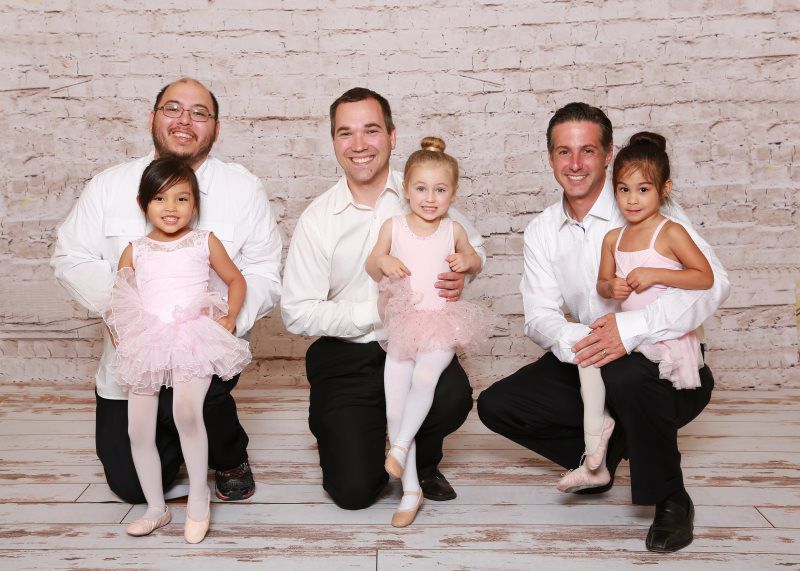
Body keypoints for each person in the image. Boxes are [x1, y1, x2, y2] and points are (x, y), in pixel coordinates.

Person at [477, 102, 730, 553]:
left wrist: (628, 331)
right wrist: (589, 340)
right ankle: (600, 460)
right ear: (551, 158)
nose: (575, 164)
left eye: (588, 150)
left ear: (609, 153)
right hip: (589, 355)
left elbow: (713, 285)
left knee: (625, 371)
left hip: (664, 368)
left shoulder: (647, 205)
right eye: (563, 152)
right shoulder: (541, 230)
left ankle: (671, 495)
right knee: (498, 405)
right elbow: (539, 316)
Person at [51, 77, 282, 505]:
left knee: (204, 396)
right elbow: (70, 258)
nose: (184, 121)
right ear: (153, 117)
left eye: (199, 113)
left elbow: (263, 272)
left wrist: (224, 324)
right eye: (172, 109)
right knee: (132, 487)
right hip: (136, 355)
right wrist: (129, 312)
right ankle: (177, 440)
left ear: (215, 126)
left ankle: (227, 453)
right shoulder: (109, 185)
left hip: (201, 351)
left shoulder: (242, 188)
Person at [281, 88, 485, 510]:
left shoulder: (425, 191)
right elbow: (296, 313)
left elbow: (469, 249)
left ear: (393, 136)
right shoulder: (319, 219)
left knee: (450, 395)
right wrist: (372, 312)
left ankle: (418, 458)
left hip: (418, 340)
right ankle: (366, 442)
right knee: (353, 491)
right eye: (345, 133)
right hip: (349, 352)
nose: (359, 144)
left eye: (371, 130)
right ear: (334, 142)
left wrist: (459, 275)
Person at [556, 131, 714, 494]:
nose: (632, 199)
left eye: (643, 189)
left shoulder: (670, 232)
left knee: (630, 381)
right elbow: (601, 284)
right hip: (628, 335)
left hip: (663, 336)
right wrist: (612, 288)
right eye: (624, 189)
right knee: (587, 358)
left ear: (665, 188)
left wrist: (656, 273)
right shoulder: (614, 238)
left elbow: (704, 276)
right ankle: (596, 448)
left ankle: (662, 490)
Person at [106, 157, 251, 542]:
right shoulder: (135, 249)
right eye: (159, 199)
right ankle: (157, 508)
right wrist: (123, 335)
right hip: (150, 341)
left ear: (195, 204)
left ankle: (200, 498)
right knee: (138, 428)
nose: (171, 208)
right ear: (143, 204)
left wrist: (231, 316)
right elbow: (119, 297)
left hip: (192, 336)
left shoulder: (204, 240)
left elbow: (235, 279)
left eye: (181, 199)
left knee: (188, 413)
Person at [365, 136, 490, 526]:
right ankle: (412, 491)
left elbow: (474, 260)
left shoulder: (452, 229)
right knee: (394, 403)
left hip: (441, 323)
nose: (430, 198)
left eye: (440, 190)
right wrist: (385, 261)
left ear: (453, 193)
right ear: (406, 190)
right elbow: (371, 265)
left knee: (426, 375)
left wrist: (465, 260)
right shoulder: (394, 225)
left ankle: (399, 446)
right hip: (404, 324)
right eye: (421, 189)